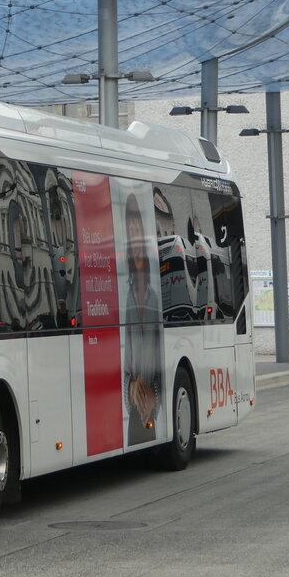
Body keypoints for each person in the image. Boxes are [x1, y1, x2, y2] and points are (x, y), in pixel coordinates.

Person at [123, 191, 163, 446]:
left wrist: (153, 393)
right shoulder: (123, 296)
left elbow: (162, 351)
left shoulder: (155, 297)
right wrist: (130, 388)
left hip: (150, 398)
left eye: (138, 225)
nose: (135, 232)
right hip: (133, 401)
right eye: (130, 227)